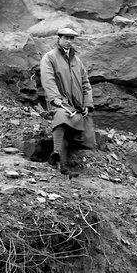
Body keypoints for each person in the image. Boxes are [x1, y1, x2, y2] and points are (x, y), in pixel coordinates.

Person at [39, 27, 95, 175]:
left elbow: (85, 84)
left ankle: (62, 165)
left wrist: (87, 104)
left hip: (76, 106)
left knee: (75, 133)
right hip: (59, 102)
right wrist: (55, 98)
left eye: (71, 39)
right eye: (66, 38)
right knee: (61, 117)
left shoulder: (77, 61)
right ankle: (57, 153)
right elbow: (48, 79)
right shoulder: (50, 57)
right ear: (59, 38)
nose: (69, 41)